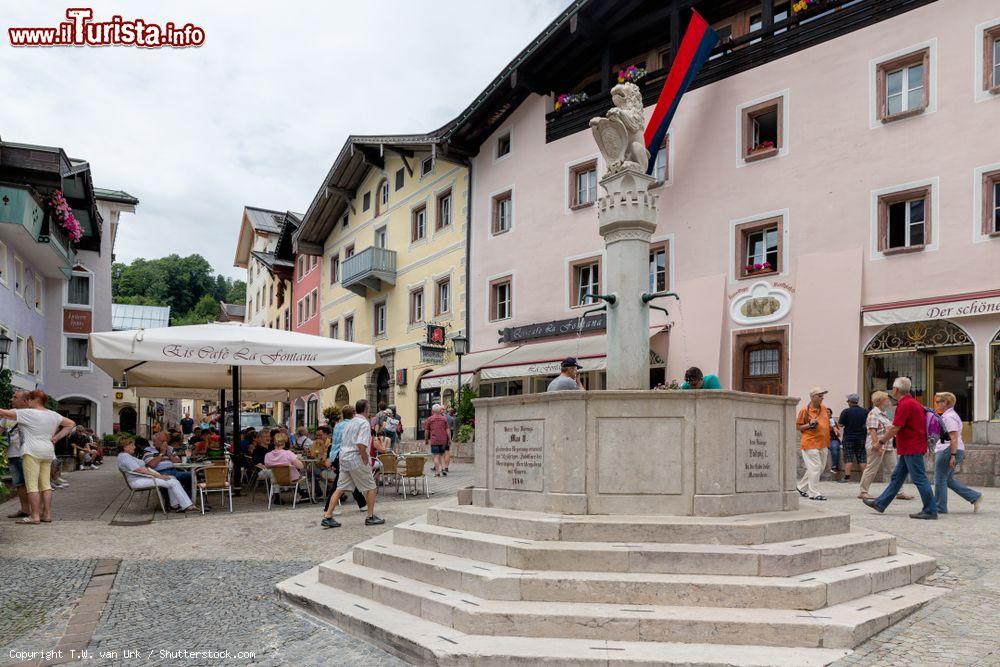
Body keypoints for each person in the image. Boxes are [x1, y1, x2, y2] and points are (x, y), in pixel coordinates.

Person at [863, 377, 938, 519]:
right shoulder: (913, 403)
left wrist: (880, 442)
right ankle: (880, 503)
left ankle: (930, 510)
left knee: (919, 478)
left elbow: (895, 428)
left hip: (911, 447)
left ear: (896, 389)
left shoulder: (905, 405)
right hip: (911, 447)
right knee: (897, 477)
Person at [0, 390, 76, 525]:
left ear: (34, 400)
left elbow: (3, 413)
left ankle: (34, 516)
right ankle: (47, 514)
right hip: (47, 451)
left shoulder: (27, 413)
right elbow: (71, 424)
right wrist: (56, 438)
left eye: (29, 399)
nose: (27, 402)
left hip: (31, 451)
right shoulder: (53, 415)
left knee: (32, 485)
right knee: (45, 484)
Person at [320, 399, 384, 528]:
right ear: (366, 410)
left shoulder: (350, 422)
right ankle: (370, 516)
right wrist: (365, 457)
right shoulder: (364, 423)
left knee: (340, 487)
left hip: (344, 457)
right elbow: (361, 443)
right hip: (356, 458)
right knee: (371, 487)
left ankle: (327, 516)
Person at [116, 435, 196, 513]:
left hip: (141, 478)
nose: (134, 447)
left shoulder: (126, 456)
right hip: (137, 481)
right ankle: (188, 506)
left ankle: (174, 505)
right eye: (132, 445)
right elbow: (140, 470)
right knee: (172, 482)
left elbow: (145, 468)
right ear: (125, 447)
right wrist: (159, 476)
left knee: (172, 478)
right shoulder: (124, 457)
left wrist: (160, 475)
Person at [933, 392, 983, 514]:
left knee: (940, 478)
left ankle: (940, 507)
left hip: (948, 449)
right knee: (947, 479)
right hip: (950, 449)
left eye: (939, 401)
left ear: (946, 403)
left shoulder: (949, 417)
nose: (937, 403)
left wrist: (953, 455)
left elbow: (953, 437)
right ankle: (974, 496)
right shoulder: (949, 415)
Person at [858, 391, 912, 501]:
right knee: (872, 468)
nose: (888, 401)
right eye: (886, 399)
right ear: (881, 400)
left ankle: (900, 491)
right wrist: (876, 445)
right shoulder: (874, 413)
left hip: (887, 445)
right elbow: (872, 430)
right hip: (877, 445)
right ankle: (863, 492)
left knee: (894, 469)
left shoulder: (884, 413)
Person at [322, 406, 367, 512]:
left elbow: (335, 443)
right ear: (353, 414)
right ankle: (328, 509)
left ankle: (362, 504)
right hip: (347, 456)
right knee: (340, 484)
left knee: (350, 480)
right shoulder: (351, 425)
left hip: (337, 455)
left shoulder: (338, 426)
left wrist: (331, 457)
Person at [795, 388, 831, 501]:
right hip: (810, 442)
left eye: (822, 396)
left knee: (819, 468)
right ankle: (814, 493)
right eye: (819, 396)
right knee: (815, 468)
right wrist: (809, 424)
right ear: (812, 397)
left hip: (823, 443)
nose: (822, 398)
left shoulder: (824, 409)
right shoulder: (804, 411)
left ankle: (801, 487)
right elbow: (798, 427)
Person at [1, 391, 31, 519]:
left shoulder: (32, 414)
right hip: (13, 453)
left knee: (32, 483)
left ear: (25, 401)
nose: (11, 399)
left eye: (15, 397)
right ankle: (25, 510)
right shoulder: (8, 415)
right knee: (19, 483)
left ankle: (38, 511)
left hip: (28, 453)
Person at [838, 394, 869, 484]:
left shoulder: (846, 411)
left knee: (848, 457)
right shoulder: (865, 411)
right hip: (862, 438)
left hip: (849, 438)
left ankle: (847, 478)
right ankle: (865, 478)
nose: (847, 402)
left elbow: (840, 424)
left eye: (848, 401)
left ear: (850, 402)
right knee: (862, 457)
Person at [424, 404, 452, 477]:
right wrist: (449, 439)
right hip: (443, 440)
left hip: (434, 440)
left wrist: (426, 439)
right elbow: (447, 429)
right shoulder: (444, 419)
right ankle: (443, 469)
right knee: (442, 455)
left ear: (433, 411)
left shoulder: (430, 419)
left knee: (436, 456)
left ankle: (437, 472)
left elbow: (426, 430)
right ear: (440, 411)